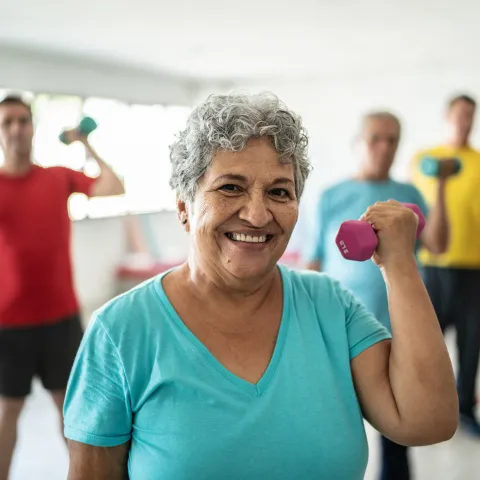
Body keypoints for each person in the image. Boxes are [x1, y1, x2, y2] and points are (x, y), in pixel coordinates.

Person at [64, 93, 457, 480]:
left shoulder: (331, 306)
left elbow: (427, 421)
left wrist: (400, 263)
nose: (257, 214)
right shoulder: (119, 331)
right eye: (230, 187)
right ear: (184, 206)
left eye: (279, 191)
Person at [304, 111, 457, 480]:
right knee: (335, 427)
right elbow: (312, 263)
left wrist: (439, 186)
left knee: (400, 430)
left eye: (393, 140)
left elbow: (438, 243)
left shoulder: (408, 195)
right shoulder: (331, 196)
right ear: (358, 143)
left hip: (399, 329)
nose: (385, 147)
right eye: (376, 138)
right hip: (343, 332)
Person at [0, 95, 125, 479]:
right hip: (9, 322)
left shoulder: (57, 176)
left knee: (71, 410)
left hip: (60, 317)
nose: (17, 128)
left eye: (24, 120)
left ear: (33, 127)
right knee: (9, 411)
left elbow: (114, 187)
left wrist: (84, 143)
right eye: (8, 122)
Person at [411, 94, 480, 437]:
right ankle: (422, 406)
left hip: (474, 268)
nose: (464, 121)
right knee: (425, 341)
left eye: (470, 115)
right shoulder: (424, 160)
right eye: (459, 114)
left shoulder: (479, 162)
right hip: (432, 266)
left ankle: (465, 410)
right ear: (447, 116)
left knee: (471, 344)